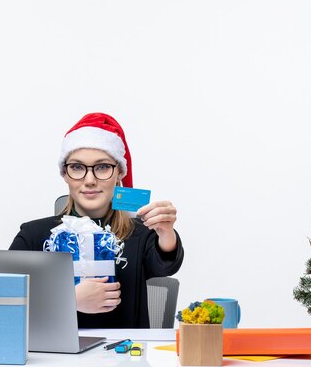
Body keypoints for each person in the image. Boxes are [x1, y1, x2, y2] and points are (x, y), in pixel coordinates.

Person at [9, 112, 184, 328]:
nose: (89, 180)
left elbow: (165, 264)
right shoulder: (34, 235)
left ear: (119, 171)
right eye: (77, 167)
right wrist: (68, 299)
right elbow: (2, 297)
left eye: (102, 167)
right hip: (53, 357)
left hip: (125, 356)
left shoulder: (140, 233)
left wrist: (166, 232)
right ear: (64, 174)